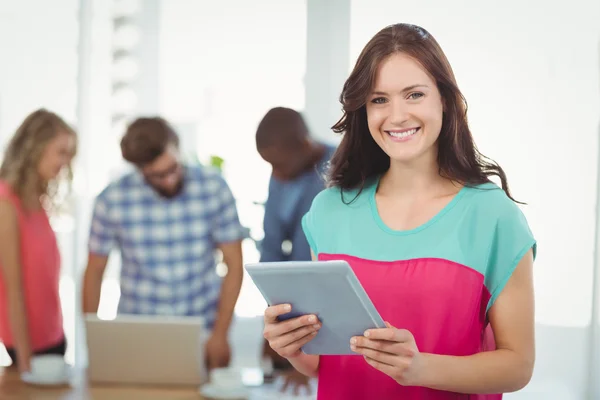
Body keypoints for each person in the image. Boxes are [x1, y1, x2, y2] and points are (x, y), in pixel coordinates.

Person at [262, 23, 536, 399]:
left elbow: (517, 366)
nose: (397, 116)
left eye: (414, 94)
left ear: (444, 99)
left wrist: (421, 368)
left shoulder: (492, 215)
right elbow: (329, 363)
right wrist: (292, 347)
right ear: (363, 110)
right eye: (379, 100)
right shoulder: (328, 210)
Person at [82, 117, 246, 369]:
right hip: (137, 335)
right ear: (139, 168)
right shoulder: (111, 200)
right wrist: (94, 342)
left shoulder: (214, 188)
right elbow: (94, 271)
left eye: (173, 168)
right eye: (157, 175)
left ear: (178, 149)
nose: (169, 180)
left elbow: (234, 264)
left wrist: (220, 334)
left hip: (203, 331)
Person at [255, 107, 335, 394]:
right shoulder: (280, 175)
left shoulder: (344, 168)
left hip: (330, 300)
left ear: (304, 145)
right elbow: (272, 248)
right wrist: (273, 321)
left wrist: (306, 363)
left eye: (280, 165)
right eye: (269, 165)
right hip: (293, 304)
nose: (276, 174)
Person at [0, 109, 77, 373]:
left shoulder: (36, 201)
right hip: (28, 348)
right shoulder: (5, 203)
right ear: (36, 148)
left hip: (53, 338)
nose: (65, 163)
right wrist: (25, 366)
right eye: (61, 152)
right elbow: (13, 290)